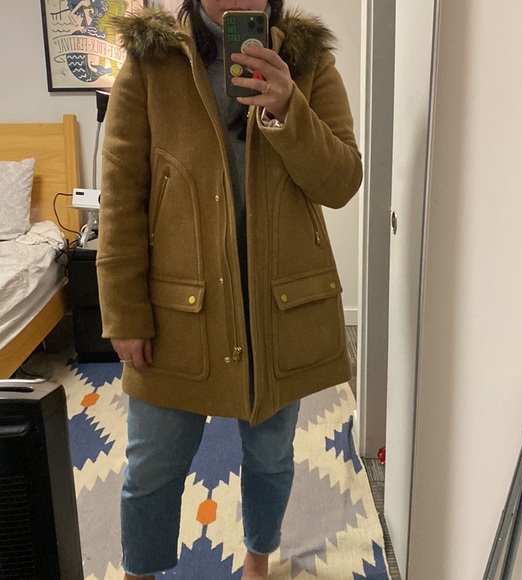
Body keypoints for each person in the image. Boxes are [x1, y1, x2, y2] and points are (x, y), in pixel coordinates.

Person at [96, 1, 362, 578]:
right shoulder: (150, 60)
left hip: (276, 308)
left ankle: (257, 560)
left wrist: (289, 109)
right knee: (152, 463)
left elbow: (342, 182)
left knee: (270, 456)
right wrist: (124, 311)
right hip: (178, 308)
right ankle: (141, 571)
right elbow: (120, 194)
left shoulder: (308, 61)